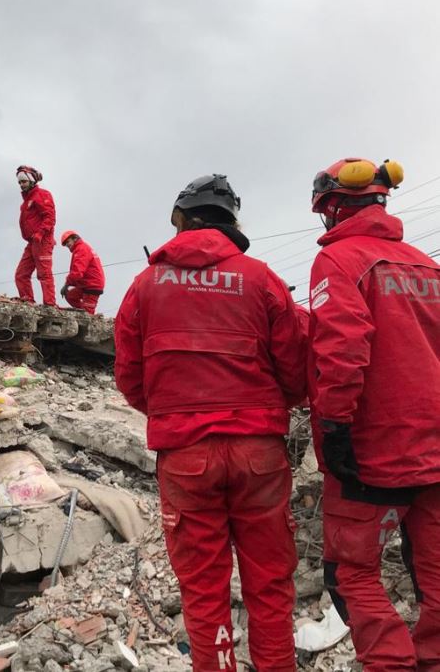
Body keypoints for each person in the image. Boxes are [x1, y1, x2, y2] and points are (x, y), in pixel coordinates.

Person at [115, 174, 306, 671]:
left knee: (204, 592)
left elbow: (129, 376)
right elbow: (295, 368)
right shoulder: (260, 278)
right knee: (269, 585)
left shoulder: (144, 285)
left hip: (186, 459)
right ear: (231, 223)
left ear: (181, 221)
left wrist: (172, 415)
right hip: (259, 454)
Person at [307, 157, 440, 670]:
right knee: (434, 572)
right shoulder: (426, 263)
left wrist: (336, 426)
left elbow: (341, 349)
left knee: (352, 573)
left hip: (373, 454)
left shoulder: (339, 262)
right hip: (434, 452)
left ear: (333, 208)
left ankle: (389, 663)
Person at [14, 165, 57, 306]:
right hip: (32, 242)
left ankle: (50, 304)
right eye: (20, 182)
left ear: (32, 181)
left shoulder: (42, 195)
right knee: (21, 274)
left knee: (44, 273)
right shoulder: (27, 200)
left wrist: (40, 233)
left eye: (24, 181)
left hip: (42, 240)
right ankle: (27, 300)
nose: (21, 185)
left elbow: (50, 217)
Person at [59, 230, 105, 314]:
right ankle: (82, 313)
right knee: (70, 296)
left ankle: (87, 316)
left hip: (92, 285)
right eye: (65, 244)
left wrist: (66, 284)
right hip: (86, 284)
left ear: (75, 238)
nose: (67, 245)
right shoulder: (81, 248)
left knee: (88, 315)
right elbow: (77, 273)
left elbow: (77, 272)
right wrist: (67, 284)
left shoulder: (81, 249)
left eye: (68, 242)